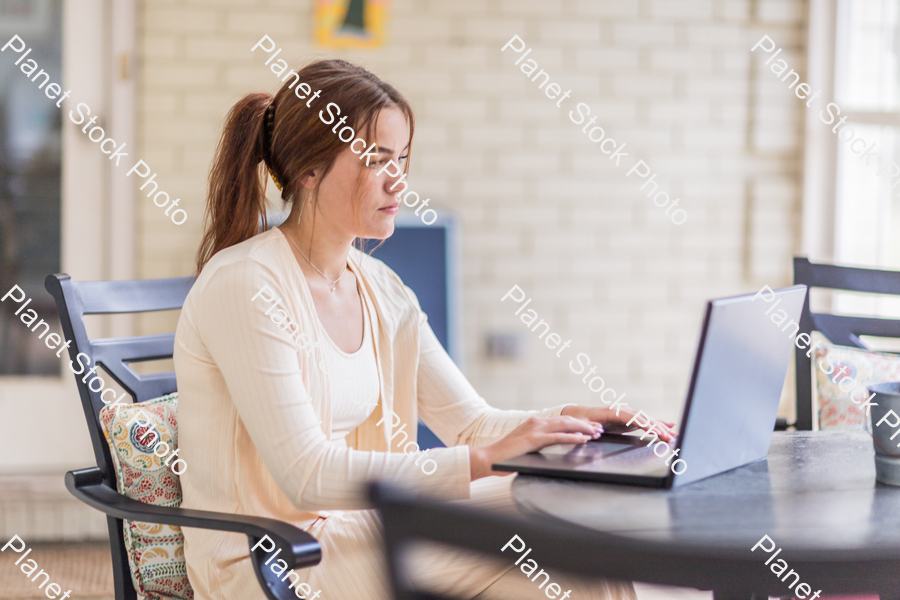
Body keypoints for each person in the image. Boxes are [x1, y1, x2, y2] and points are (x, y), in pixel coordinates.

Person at [174, 59, 676, 600]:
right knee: (543, 500)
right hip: (266, 559)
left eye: (403, 159)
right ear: (308, 170)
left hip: (348, 534)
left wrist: (561, 421)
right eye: (377, 160)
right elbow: (305, 474)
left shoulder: (381, 288)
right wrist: (482, 464)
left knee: (571, 570)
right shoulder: (248, 284)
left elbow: (469, 423)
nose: (399, 179)